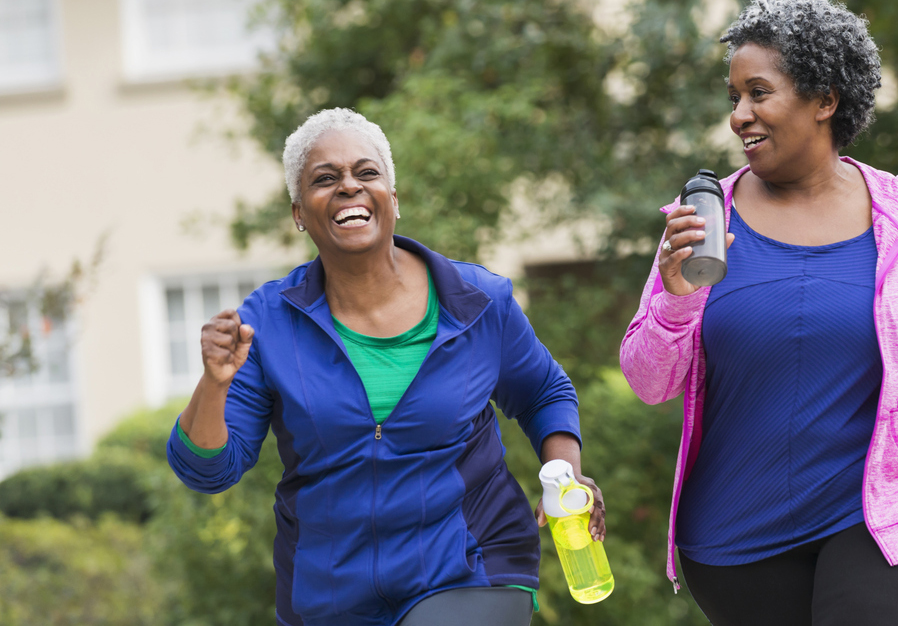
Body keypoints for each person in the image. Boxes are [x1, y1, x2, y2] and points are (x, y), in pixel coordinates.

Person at [620, 0, 898, 626]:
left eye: (758, 93)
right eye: (733, 98)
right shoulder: (702, 221)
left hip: (895, 517)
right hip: (736, 537)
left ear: (825, 101)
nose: (738, 116)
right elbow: (648, 382)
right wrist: (676, 298)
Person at [167, 108, 604, 626]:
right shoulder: (267, 323)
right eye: (324, 179)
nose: (348, 186)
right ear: (299, 213)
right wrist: (214, 385)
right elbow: (208, 470)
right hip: (327, 594)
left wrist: (566, 474)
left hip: (471, 565)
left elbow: (543, 392)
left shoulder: (476, 301)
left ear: (392, 200)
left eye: (366, 172)